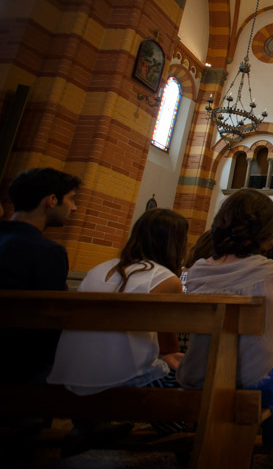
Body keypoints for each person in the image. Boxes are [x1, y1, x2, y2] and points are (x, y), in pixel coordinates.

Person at [177, 189, 273, 459]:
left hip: (200, 370)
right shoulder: (270, 272)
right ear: (267, 233)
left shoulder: (198, 268)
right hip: (249, 378)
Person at [49, 209, 186, 395]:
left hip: (71, 374)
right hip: (122, 380)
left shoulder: (99, 268)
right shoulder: (166, 279)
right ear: (175, 243)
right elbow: (168, 346)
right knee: (194, 377)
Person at [0, 167, 80, 384]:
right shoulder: (48, 252)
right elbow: (49, 323)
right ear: (52, 200)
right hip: (19, 373)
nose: (74, 207)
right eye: (72, 200)